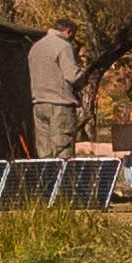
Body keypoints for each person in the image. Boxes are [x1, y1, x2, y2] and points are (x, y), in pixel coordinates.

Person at [28, 21, 81, 159]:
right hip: (60, 104)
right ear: (68, 31)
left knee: (44, 153)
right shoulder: (64, 46)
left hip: (38, 103)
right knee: (62, 150)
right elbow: (72, 76)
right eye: (73, 35)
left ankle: (47, 179)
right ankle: (64, 180)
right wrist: (84, 79)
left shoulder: (36, 47)